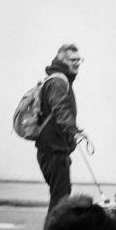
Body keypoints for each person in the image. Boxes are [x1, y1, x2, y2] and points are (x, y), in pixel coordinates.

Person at [36, 44, 87, 213]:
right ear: (62, 60)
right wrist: (74, 130)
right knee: (60, 197)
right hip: (53, 149)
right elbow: (60, 109)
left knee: (61, 194)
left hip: (56, 149)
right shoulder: (58, 81)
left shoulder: (60, 79)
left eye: (79, 60)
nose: (77, 63)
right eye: (73, 60)